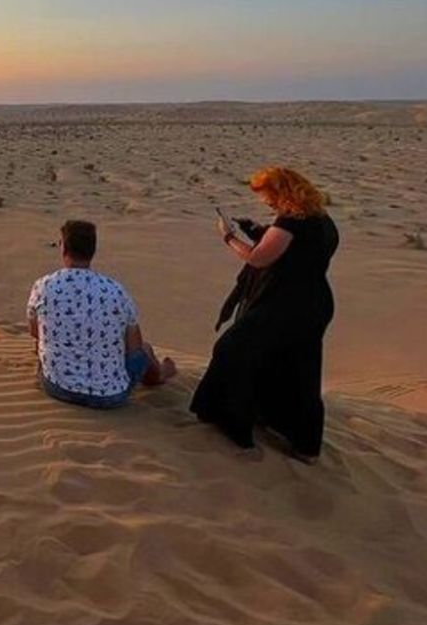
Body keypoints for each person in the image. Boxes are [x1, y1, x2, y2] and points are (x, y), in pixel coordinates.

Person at [190, 166, 339, 461]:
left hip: (284, 305)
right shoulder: (323, 220)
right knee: (297, 367)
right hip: (315, 303)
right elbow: (299, 251)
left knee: (233, 349)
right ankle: (304, 443)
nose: (266, 202)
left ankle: (234, 425)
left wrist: (229, 237)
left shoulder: (290, 222)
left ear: (283, 192)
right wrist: (260, 231)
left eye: (268, 195)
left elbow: (259, 259)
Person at [28, 220, 175, 409]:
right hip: (111, 395)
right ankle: (160, 375)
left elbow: (34, 331)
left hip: (57, 387)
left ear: (63, 248)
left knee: (40, 343)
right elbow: (134, 347)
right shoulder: (116, 290)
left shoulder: (43, 286)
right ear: (92, 251)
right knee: (145, 350)